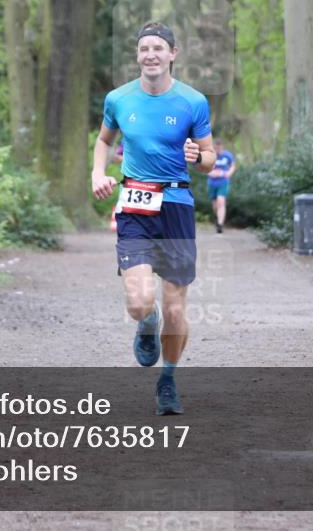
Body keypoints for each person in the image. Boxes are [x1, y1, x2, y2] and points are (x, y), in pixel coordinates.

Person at [91, 21, 216, 415]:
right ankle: (146, 325)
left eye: (158, 48)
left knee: (176, 308)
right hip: (134, 204)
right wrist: (98, 172)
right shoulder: (119, 99)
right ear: (137, 54)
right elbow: (104, 141)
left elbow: (210, 158)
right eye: (144, 48)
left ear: (173, 54)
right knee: (139, 301)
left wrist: (201, 159)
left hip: (176, 205)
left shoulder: (193, 101)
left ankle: (168, 379)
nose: (150, 55)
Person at [207, 140, 235, 233]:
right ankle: (218, 217)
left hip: (223, 182)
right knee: (215, 204)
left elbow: (233, 166)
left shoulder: (227, 156)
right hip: (212, 183)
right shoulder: (211, 155)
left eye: (219, 147)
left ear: (222, 147)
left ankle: (220, 224)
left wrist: (228, 173)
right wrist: (210, 173)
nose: (218, 149)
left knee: (221, 201)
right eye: (216, 147)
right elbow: (205, 167)